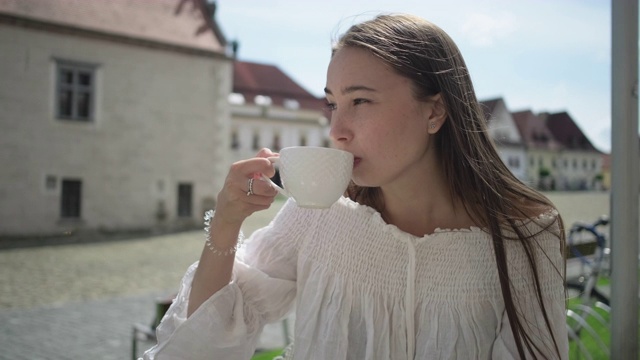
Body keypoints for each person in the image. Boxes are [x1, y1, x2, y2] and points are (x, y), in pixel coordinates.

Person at [143, 13, 568, 359]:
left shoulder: (525, 237)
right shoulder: (319, 216)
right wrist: (227, 221)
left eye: (359, 101)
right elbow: (204, 344)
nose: (336, 130)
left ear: (435, 111)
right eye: (332, 104)